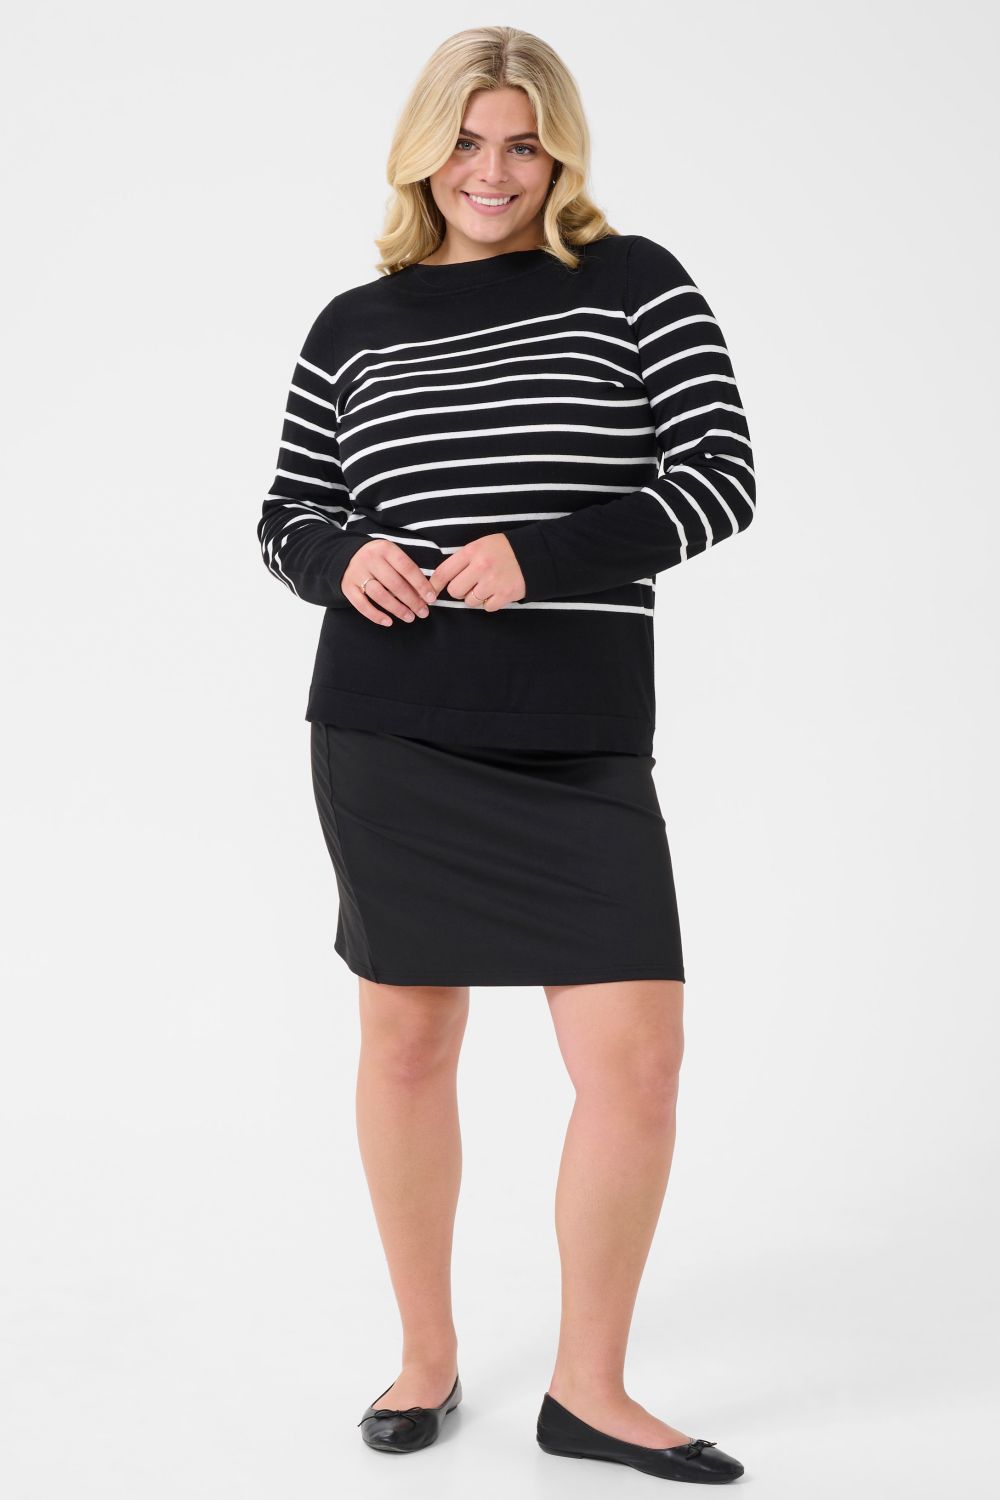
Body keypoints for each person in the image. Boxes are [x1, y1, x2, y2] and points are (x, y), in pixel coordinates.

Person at [257, 24, 754, 1485]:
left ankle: (588, 1391)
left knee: (637, 1065)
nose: (493, 171)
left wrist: (538, 555)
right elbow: (288, 512)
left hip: (577, 736)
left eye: (523, 143)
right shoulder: (352, 323)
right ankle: (427, 1356)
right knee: (408, 1043)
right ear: (425, 151)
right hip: (390, 726)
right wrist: (341, 557)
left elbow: (719, 476)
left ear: (560, 154)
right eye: (467, 141)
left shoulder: (634, 282)